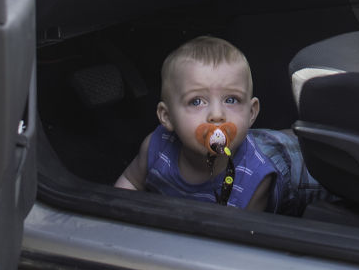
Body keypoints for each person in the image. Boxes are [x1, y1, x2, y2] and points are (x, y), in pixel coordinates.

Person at [115, 35, 319, 213]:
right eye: (196, 101)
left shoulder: (257, 177)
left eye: (231, 100)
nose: (217, 115)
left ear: (251, 112)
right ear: (166, 117)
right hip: (250, 143)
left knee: (316, 156)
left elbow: (238, 239)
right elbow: (130, 184)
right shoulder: (155, 147)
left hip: (298, 169)